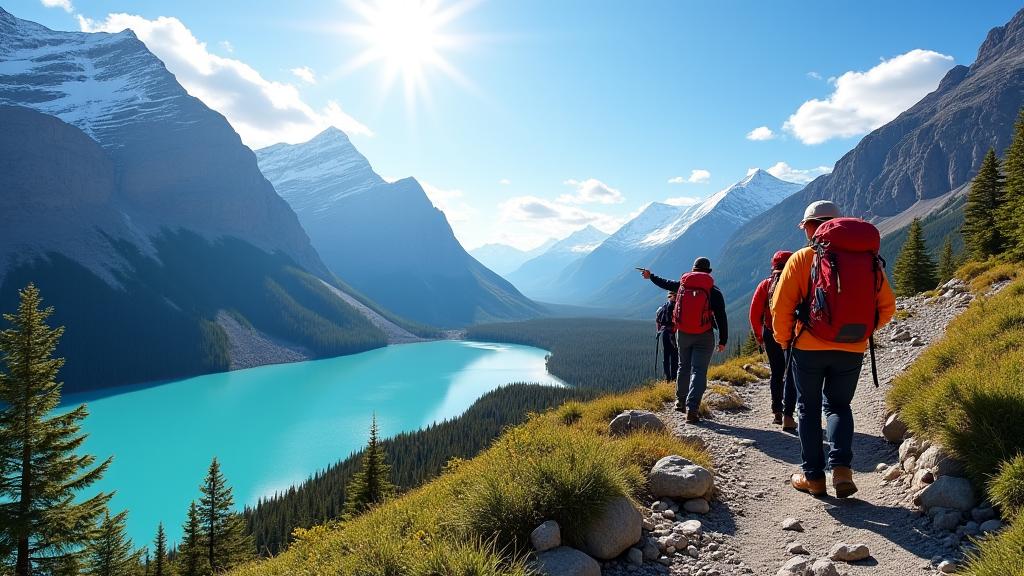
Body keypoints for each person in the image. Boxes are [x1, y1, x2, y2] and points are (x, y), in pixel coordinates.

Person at [771, 200, 896, 498]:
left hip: (808, 347)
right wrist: (858, 332)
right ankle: (841, 471)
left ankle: (813, 478)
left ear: (810, 228)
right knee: (839, 406)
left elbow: (781, 307)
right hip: (851, 350)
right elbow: (887, 307)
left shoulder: (803, 258)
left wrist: (786, 340)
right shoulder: (868, 258)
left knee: (809, 409)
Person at [640, 257, 728, 424]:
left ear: (693, 269)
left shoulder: (682, 285)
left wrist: (650, 276)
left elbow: (664, 283)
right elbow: (721, 317)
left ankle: (680, 402)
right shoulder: (713, 291)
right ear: (708, 271)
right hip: (704, 335)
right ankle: (692, 409)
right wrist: (723, 339)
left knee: (683, 366)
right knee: (699, 371)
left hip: (683, 333)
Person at [749, 250, 797, 431]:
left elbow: (754, 314)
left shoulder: (765, 285)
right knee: (793, 373)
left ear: (773, 265)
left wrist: (759, 336)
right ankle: (789, 415)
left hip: (771, 333)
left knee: (777, 373)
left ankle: (777, 410)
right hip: (794, 334)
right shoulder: (797, 281)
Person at [656, 291, 679, 383]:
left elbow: (658, 321)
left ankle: (668, 378)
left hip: (664, 333)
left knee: (666, 356)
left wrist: (658, 331)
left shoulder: (662, 307)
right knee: (674, 356)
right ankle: (674, 378)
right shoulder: (676, 307)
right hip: (673, 333)